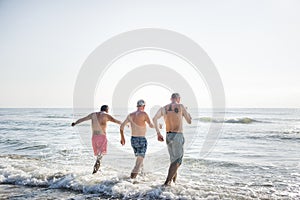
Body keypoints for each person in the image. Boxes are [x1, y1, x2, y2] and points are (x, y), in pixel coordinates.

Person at [153, 93, 192, 186]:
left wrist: (158, 133)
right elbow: (189, 121)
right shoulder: (181, 106)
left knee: (173, 161)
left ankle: (173, 184)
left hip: (168, 135)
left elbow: (154, 118)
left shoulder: (164, 108)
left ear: (171, 99)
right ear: (178, 99)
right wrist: (186, 111)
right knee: (177, 161)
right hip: (177, 135)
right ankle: (166, 183)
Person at [71, 105, 121, 174]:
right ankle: (94, 172)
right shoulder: (106, 115)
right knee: (99, 158)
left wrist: (75, 123)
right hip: (102, 137)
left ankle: (96, 171)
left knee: (98, 156)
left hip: (94, 138)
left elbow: (83, 119)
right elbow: (116, 121)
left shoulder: (93, 115)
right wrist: (126, 124)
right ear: (106, 110)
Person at [120, 99, 161, 179]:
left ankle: (142, 175)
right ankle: (131, 181)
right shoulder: (144, 114)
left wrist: (122, 138)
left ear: (137, 106)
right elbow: (151, 125)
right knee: (138, 163)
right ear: (144, 106)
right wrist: (158, 126)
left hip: (133, 140)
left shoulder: (130, 115)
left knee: (139, 160)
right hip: (141, 140)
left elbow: (121, 127)